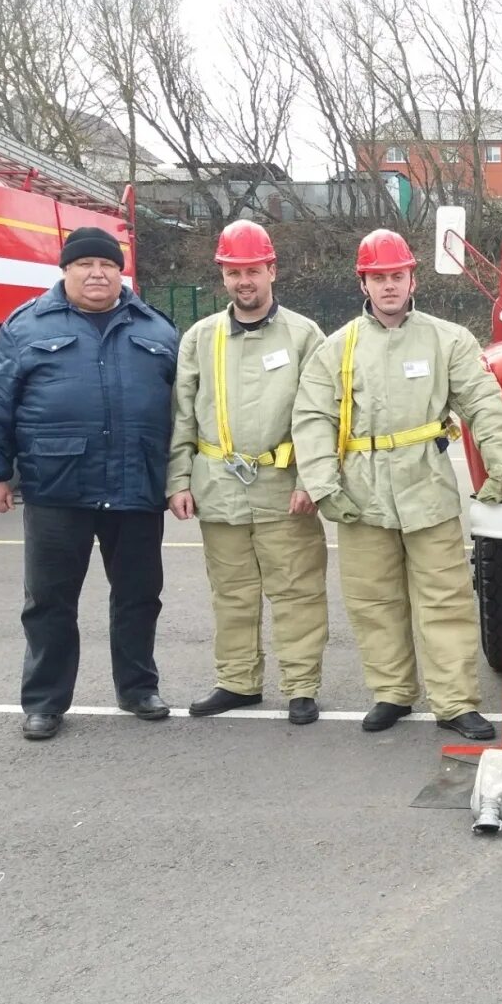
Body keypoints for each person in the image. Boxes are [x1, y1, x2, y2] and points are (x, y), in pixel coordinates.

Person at [291, 229, 502, 741]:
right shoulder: (337, 349)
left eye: (397, 275)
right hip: (360, 495)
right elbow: (312, 418)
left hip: (426, 491)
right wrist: (326, 487)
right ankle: (392, 692)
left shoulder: (448, 339)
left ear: (412, 277)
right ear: (364, 283)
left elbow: (481, 401)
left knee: (445, 599)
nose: (389, 286)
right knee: (374, 601)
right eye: (379, 277)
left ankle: (454, 702)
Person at [0, 227, 179, 740]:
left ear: (121, 271)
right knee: (49, 601)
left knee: (139, 595)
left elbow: (184, 411)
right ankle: (44, 701)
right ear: (65, 271)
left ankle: (138, 687)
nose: (97, 273)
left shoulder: (157, 328)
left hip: (135, 485)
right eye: (84, 264)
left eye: (107, 264)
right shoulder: (26, 325)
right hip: (58, 487)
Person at [167, 221, 329, 725]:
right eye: (234, 271)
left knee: (297, 590)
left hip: (284, 491)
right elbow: (183, 413)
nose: (244, 281)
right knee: (232, 592)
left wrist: (311, 481)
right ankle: (238, 682)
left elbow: (322, 413)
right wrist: (178, 479)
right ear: (222, 275)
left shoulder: (304, 336)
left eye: (252, 270)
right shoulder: (201, 337)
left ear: (271, 270)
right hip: (219, 489)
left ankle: (301, 686)